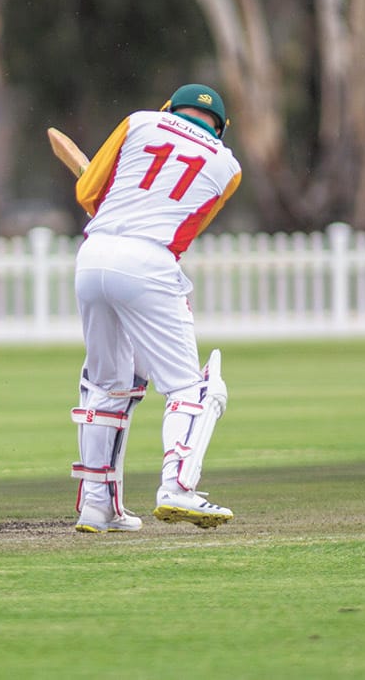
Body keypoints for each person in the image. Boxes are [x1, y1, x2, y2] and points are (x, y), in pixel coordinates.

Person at [68, 83, 242, 532]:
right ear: (220, 129)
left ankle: (95, 507)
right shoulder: (227, 167)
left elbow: (88, 192)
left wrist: (110, 202)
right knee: (193, 388)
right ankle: (178, 489)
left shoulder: (138, 121)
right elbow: (187, 226)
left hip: (93, 253)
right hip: (151, 260)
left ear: (170, 109)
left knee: (108, 385)